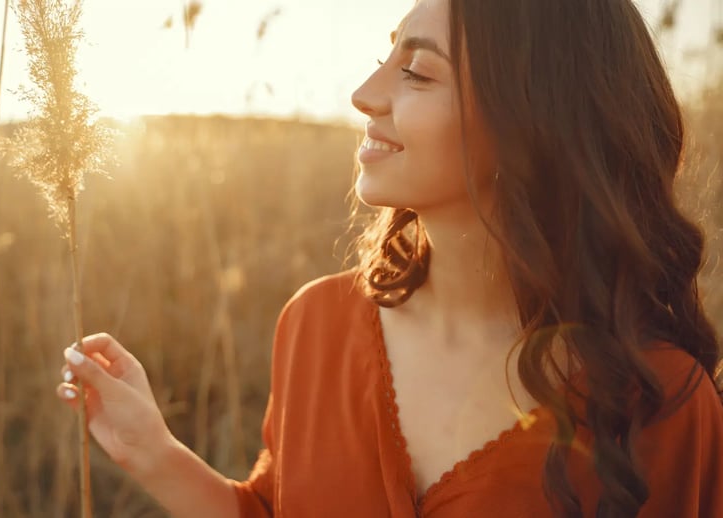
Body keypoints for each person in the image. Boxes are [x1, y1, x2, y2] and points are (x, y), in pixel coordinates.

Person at [57, 0, 723, 516]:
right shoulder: (316, 324)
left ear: (535, 125)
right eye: (386, 58)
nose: (365, 94)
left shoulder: (660, 404)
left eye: (417, 72)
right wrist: (155, 453)